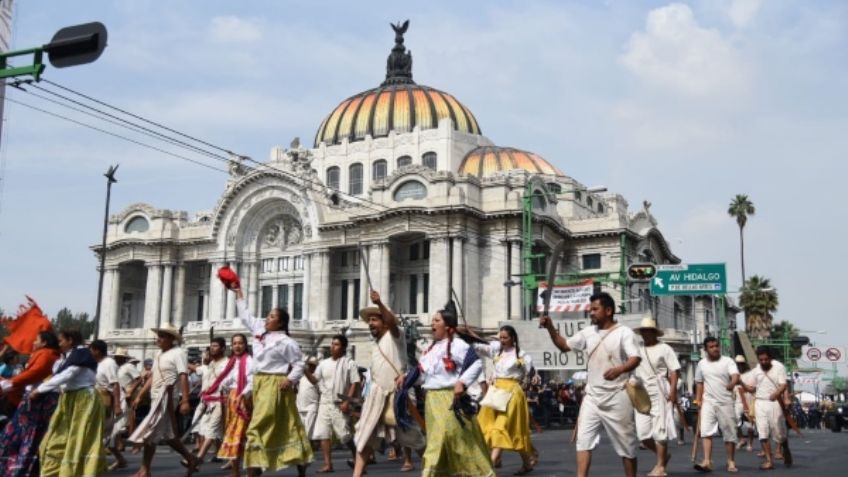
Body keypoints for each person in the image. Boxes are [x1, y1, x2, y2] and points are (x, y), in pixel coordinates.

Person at [540, 292, 641, 477]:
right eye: (590, 309)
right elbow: (564, 346)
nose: (591, 313)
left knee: (627, 446)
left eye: (595, 309)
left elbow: (635, 358)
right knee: (583, 441)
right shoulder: (587, 333)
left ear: (608, 310)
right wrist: (550, 328)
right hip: (592, 397)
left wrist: (619, 370)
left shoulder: (624, 332)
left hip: (617, 395)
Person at [399, 302, 493, 477]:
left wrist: (462, 383)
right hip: (432, 401)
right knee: (438, 440)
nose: (432, 324)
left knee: (453, 439)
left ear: (448, 326)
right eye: (432, 321)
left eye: (436, 320)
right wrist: (407, 379)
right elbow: (424, 376)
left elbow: (475, 363)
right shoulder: (431, 349)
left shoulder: (458, 345)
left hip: (450, 400)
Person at [230, 284, 313, 477]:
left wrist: (290, 380)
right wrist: (239, 293)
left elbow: (299, 364)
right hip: (259, 382)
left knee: (258, 425)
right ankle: (299, 460)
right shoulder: (260, 331)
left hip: (275, 384)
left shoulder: (287, 343)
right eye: (268, 315)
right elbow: (245, 316)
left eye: (273, 317)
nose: (268, 318)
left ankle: (253, 469)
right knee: (286, 424)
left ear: (281, 323)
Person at [352, 290, 425, 477]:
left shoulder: (395, 335)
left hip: (397, 395)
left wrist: (380, 303)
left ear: (384, 321)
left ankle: (433, 468)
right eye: (369, 321)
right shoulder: (376, 344)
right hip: (377, 396)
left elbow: (393, 322)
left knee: (412, 438)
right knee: (366, 436)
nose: (370, 324)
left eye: (374, 320)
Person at [128, 323, 201, 477]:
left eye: (162, 336)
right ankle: (191, 458)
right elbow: (153, 376)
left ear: (170, 338)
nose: (158, 339)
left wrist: (185, 400)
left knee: (151, 434)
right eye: (158, 335)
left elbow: (183, 375)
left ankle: (144, 470)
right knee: (168, 436)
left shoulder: (178, 353)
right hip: (155, 397)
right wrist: (140, 395)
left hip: (167, 397)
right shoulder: (159, 355)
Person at [34, 328, 108, 476]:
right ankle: (58, 471)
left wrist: (39, 390)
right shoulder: (72, 355)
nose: (59, 343)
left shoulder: (80, 354)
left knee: (79, 438)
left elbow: (67, 375)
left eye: (61, 340)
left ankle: (76, 472)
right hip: (71, 399)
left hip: (83, 401)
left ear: (70, 340)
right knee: (58, 437)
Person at [469, 324, 536, 474]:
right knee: (489, 427)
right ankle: (527, 463)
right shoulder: (495, 350)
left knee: (501, 427)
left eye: (505, 338)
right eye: (500, 337)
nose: (502, 340)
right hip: (496, 393)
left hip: (512, 394)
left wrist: (531, 379)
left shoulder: (522, 355)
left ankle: (489, 467)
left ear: (513, 338)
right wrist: (467, 334)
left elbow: (530, 372)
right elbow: (478, 346)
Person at [0, 330, 61, 477]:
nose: (33, 342)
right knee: (24, 435)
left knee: (27, 435)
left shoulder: (46, 354)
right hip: (34, 399)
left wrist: (9, 383)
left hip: (38, 401)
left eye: (36, 340)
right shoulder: (46, 354)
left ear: (44, 342)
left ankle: (18, 469)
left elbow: (34, 373)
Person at [303, 334, 360, 473]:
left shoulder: (349, 363)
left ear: (343, 347)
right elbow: (315, 380)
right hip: (325, 402)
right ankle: (328, 464)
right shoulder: (323, 363)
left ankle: (358, 460)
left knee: (345, 435)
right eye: (332, 344)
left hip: (340, 403)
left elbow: (355, 382)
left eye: (336, 344)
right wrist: (304, 370)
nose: (332, 347)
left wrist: (347, 401)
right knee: (323, 434)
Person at [633, 317, 680, 477]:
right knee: (643, 435)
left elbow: (674, 370)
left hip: (659, 390)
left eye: (648, 331)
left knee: (660, 431)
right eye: (643, 331)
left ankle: (660, 467)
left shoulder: (665, 348)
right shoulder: (637, 349)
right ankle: (663, 456)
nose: (646, 334)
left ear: (654, 332)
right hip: (641, 392)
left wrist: (673, 392)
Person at [202, 333, 253, 477]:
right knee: (232, 434)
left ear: (245, 345)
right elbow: (225, 379)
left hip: (243, 400)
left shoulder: (248, 361)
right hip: (231, 399)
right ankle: (236, 471)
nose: (237, 346)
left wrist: (242, 395)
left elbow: (252, 381)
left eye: (240, 343)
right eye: (235, 343)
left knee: (241, 435)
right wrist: (214, 389)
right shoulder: (233, 362)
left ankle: (249, 471)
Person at [693, 337, 740, 473]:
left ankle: (731, 461)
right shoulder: (701, 364)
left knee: (729, 433)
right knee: (706, 431)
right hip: (708, 401)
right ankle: (707, 461)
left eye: (716, 346)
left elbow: (735, 375)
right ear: (706, 349)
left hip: (725, 402)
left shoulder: (728, 361)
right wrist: (698, 400)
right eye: (711, 347)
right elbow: (699, 382)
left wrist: (732, 383)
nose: (715, 348)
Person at [741, 347, 792, 469]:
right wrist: (741, 383)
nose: (763, 362)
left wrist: (777, 394)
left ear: (770, 358)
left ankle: (785, 448)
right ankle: (769, 460)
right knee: (762, 432)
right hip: (760, 403)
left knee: (779, 432)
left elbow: (783, 384)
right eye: (761, 360)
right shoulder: (756, 370)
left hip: (774, 403)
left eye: (766, 359)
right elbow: (752, 388)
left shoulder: (779, 367)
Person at [189, 338, 228, 465]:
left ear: (223, 348)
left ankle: (197, 459)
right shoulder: (211, 364)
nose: (212, 348)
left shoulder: (227, 363)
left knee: (212, 430)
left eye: (215, 346)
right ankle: (235, 462)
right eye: (211, 346)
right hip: (208, 402)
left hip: (220, 402)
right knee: (209, 430)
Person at [90, 339, 127, 471]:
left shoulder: (109, 363)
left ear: (97, 350)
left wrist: (116, 405)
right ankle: (119, 459)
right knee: (103, 434)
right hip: (96, 398)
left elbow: (115, 384)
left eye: (91, 350)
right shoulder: (96, 363)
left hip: (106, 399)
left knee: (102, 433)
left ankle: (96, 464)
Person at [115, 349, 140, 451]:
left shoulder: (129, 367)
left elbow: (139, 379)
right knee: (118, 420)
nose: (117, 359)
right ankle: (120, 443)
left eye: (119, 357)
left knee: (130, 420)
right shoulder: (117, 368)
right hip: (118, 396)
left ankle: (135, 443)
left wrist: (131, 391)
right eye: (116, 357)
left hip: (127, 395)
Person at [297, 356, 320, 446]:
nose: (311, 367)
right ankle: (309, 447)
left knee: (308, 430)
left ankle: (308, 448)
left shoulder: (317, 377)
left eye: (313, 365)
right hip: (300, 406)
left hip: (312, 406)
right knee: (302, 429)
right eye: (309, 365)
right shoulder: (301, 377)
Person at [733, 355, 755, 452]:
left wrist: (741, 382)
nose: (739, 366)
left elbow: (752, 388)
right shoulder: (733, 375)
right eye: (737, 364)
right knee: (734, 421)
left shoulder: (751, 374)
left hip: (748, 400)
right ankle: (742, 439)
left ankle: (750, 443)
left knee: (750, 424)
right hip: (738, 401)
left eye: (741, 364)